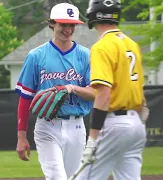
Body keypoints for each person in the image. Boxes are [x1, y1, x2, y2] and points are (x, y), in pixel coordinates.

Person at [14, 2, 95, 180]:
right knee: (57, 177)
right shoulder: (36, 56)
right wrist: (21, 136)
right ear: (52, 24)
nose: (67, 29)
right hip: (47, 127)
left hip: (77, 126)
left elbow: (95, 93)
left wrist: (72, 88)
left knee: (73, 178)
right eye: (63, 24)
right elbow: (25, 98)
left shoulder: (85, 55)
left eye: (71, 24)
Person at [73, 0, 147, 179]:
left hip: (114, 124)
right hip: (136, 124)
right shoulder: (132, 44)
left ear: (94, 15)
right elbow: (138, 91)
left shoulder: (102, 46)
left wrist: (92, 139)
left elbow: (104, 94)